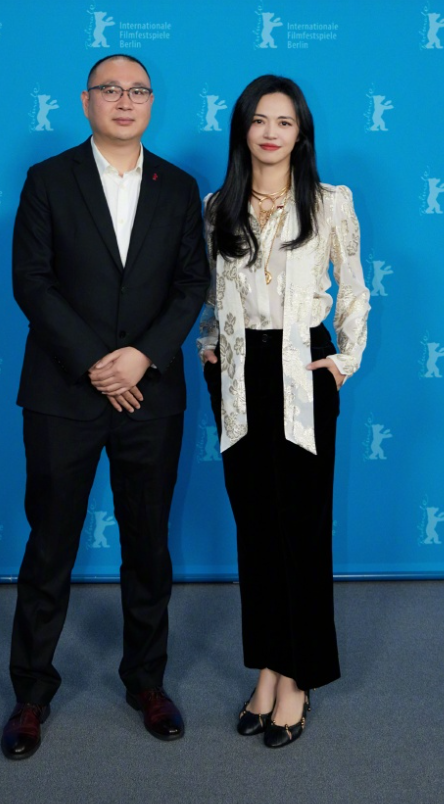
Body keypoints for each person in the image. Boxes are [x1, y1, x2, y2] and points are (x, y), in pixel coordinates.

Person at [1, 54, 209, 760]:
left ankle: (146, 682)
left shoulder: (179, 187)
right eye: (111, 89)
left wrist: (142, 356)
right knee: (49, 545)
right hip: (62, 393)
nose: (125, 100)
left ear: (152, 103)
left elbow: (192, 284)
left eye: (138, 90)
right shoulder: (47, 180)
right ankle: (31, 693)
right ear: (86, 101)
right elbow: (31, 281)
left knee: (148, 547)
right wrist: (98, 362)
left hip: (152, 395)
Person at [198, 75, 370, 749]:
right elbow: (212, 297)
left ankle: (298, 677)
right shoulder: (218, 206)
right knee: (256, 528)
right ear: (242, 129)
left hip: (302, 368)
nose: (270, 132)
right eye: (259, 120)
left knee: (301, 526)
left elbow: (353, 290)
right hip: (238, 377)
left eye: (285, 122)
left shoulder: (330, 202)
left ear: (301, 134)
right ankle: (268, 666)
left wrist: (344, 360)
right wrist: (210, 350)